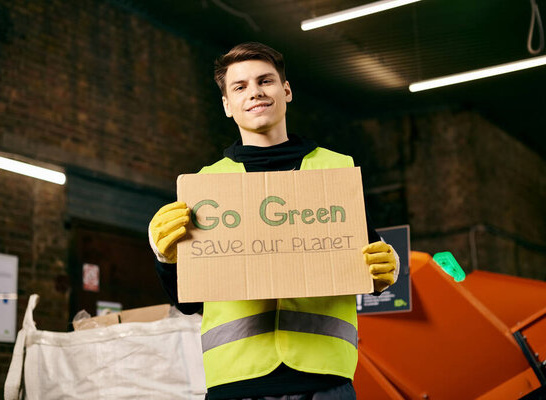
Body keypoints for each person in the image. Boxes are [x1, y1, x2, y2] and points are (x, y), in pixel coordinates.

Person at [149, 42, 399, 400]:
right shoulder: (206, 186)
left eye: (265, 81)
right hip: (237, 380)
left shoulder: (335, 171)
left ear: (286, 90)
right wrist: (164, 257)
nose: (255, 92)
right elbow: (189, 302)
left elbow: (371, 271)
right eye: (240, 87)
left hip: (324, 379)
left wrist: (387, 268)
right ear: (227, 105)